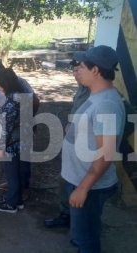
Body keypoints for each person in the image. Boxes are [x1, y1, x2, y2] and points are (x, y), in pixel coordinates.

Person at [61, 45, 125, 252]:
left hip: (89, 186)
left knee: (86, 238)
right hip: (80, 179)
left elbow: (106, 153)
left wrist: (83, 188)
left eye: (82, 67)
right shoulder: (96, 95)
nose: (77, 71)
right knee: (83, 232)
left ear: (95, 70)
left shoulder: (106, 104)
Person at [44, 60, 90, 228]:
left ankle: (78, 221)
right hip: (72, 142)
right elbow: (76, 110)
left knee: (78, 182)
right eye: (74, 70)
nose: (75, 74)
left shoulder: (98, 93)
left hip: (85, 148)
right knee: (65, 179)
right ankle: (67, 214)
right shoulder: (81, 88)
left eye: (79, 70)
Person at [0, 61, 40, 200]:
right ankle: (13, 184)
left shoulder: (20, 83)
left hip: (20, 130)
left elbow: (34, 101)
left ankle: (24, 188)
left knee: (23, 160)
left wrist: (28, 121)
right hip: (9, 129)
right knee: (11, 162)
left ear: (0, 76)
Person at [0, 67, 35, 213]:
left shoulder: (10, 103)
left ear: (4, 84)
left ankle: (11, 204)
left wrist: (1, 146)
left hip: (12, 144)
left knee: (12, 174)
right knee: (20, 171)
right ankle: (19, 200)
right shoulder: (23, 97)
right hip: (24, 141)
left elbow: (7, 127)